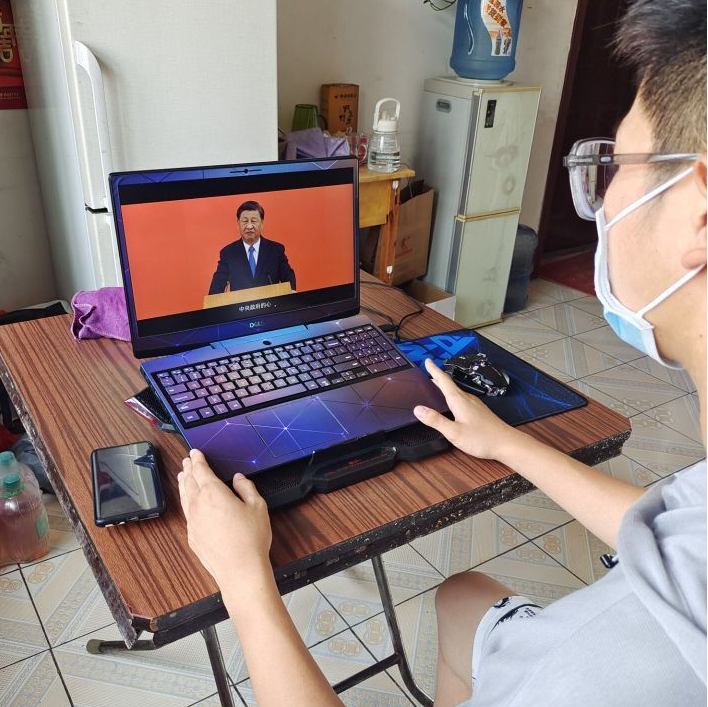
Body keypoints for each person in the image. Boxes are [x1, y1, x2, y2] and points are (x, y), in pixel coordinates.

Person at [177, 1, 706, 704]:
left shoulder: (600, 680)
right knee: (461, 597)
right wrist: (507, 442)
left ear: (698, 209)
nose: (604, 203)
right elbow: (673, 539)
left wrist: (244, 579)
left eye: (615, 164)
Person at [207, 201, 297, 296]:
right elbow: (217, 286)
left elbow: (288, 279)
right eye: (245, 221)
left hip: (270, 303)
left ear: (262, 223)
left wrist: (291, 293)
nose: (249, 226)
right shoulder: (228, 253)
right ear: (238, 224)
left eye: (254, 221)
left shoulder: (276, 250)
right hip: (242, 304)